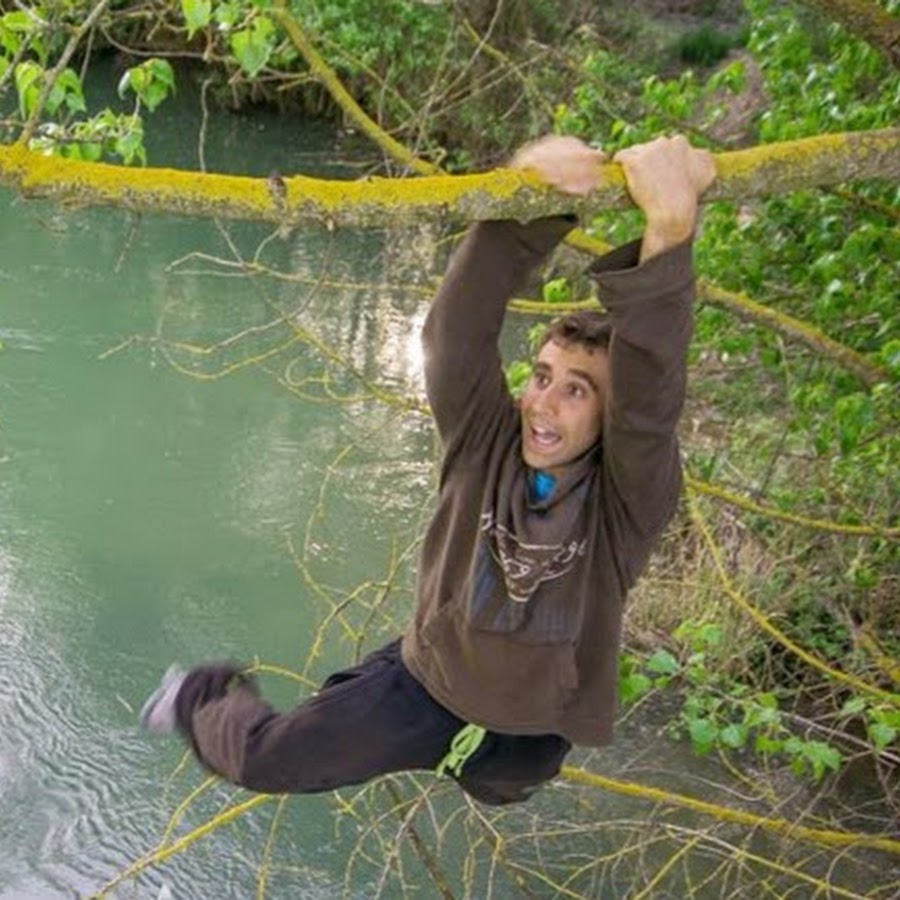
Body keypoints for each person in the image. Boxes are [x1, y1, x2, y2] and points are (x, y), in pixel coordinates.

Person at [141, 134, 716, 806]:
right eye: (540, 377)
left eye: (576, 390)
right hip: (422, 689)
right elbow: (455, 334)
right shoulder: (485, 443)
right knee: (266, 760)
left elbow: (648, 409)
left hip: (527, 737)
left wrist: (669, 235)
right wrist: (524, 205)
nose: (542, 403)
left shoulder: (625, 503)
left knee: (503, 787)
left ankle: (458, 752)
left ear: (608, 416)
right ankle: (200, 692)